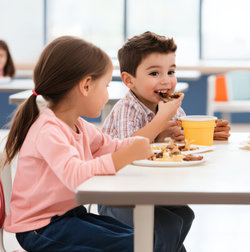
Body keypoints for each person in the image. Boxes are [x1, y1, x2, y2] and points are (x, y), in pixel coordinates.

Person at [1, 36, 153, 251]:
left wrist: (139, 145)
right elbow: (76, 176)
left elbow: (106, 145)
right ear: (86, 85)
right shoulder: (48, 130)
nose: (108, 94)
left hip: (68, 216)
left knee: (142, 239)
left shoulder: (78, 125)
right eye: (107, 85)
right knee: (133, 245)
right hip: (40, 228)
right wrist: (126, 156)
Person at [99, 31, 225, 252]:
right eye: (155, 73)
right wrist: (161, 123)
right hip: (118, 196)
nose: (166, 80)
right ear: (129, 80)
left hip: (152, 187)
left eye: (171, 71)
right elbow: (129, 147)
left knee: (184, 215)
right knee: (166, 226)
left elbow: (183, 143)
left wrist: (202, 133)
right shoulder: (126, 109)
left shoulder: (170, 108)